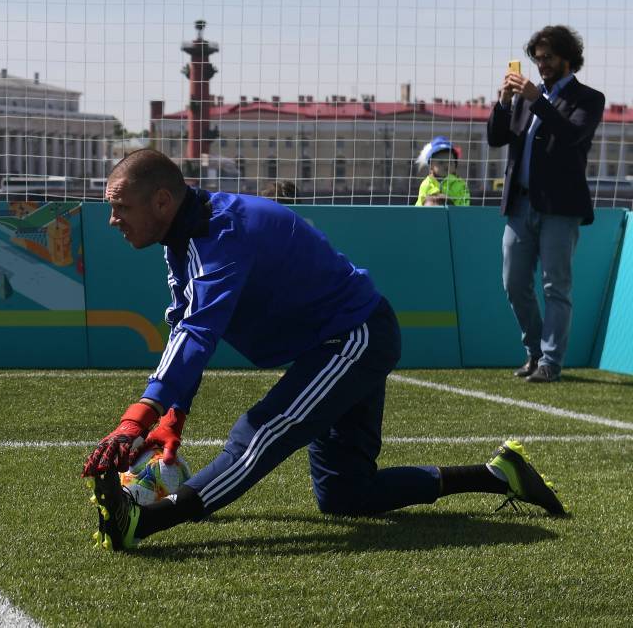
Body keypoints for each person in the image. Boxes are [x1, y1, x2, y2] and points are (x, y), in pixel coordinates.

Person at [82, 148, 565, 552]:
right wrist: (173, 415)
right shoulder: (185, 235)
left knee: (259, 433)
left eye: (120, 206)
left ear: (162, 201)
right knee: (345, 492)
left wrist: (137, 418)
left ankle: (142, 524)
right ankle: (498, 474)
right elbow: (185, 321)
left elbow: (198, 333)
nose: (113, 219)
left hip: (355, 337)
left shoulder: (220, 235)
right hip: (344, 337)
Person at [487, 25, 604, 383]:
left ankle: (551, 362)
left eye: (549, 58)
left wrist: (537, 99)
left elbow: (571, 136)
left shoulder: (589, 98)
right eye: (537, 59)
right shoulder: (524, 97)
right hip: (520, 206)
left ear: (568, 58)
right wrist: (505, 102)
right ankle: (535, 352)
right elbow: (496, 139)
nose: (542, 65)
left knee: (556, 287)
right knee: (513, 282)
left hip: (560, 208)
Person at [414, 137, 470, 207]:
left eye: (450, 162)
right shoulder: (426, 184)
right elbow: (419, 207)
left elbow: (464, 208)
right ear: (431, 165)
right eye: (441, 162)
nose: (446, 166)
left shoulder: (460, 184)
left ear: (455, 165)